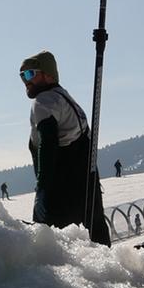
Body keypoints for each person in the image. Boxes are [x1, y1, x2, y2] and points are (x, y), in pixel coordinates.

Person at [20, 50, 110, 245]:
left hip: (61, 188)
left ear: (49, 74)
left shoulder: (44, 101)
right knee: (95, 235)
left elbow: (48, 145)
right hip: (86, 183)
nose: (25, 81)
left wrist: (42, 189)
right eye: (22, 76)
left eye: (30, 74)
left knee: (56, 245)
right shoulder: (66, 99)